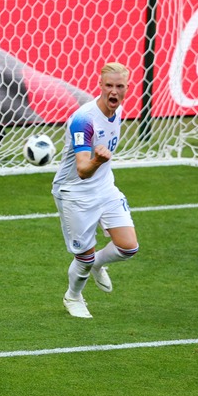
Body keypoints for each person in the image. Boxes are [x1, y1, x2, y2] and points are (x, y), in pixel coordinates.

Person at [52, 62, 139, 319]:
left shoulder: (118, 110)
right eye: (109, 86)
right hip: (75, 192)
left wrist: (102, 166)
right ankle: (73, 296)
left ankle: (98, 265)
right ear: (99, 86)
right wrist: (98, 160)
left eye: (119, 86)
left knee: (128, 247)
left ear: (126, 88)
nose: (114, 91)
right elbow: (82, 170)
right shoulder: (83, 120)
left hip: (104, 186)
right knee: (84, 257)